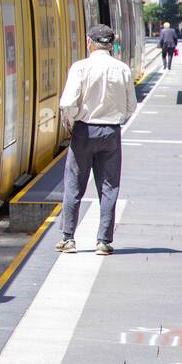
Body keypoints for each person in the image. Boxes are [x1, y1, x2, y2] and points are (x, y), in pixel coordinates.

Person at [56, 24, 136, 256]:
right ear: (111, 45)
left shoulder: (80, 67)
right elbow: (131, 106)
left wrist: (71, 122)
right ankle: (104, 241)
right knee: (109, 186)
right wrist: (116, 119)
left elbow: (68, 102)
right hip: (111, 132)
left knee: (74, 184)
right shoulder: (122, 69)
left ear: (89, 42)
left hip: (84, 131)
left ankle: (68, 238)